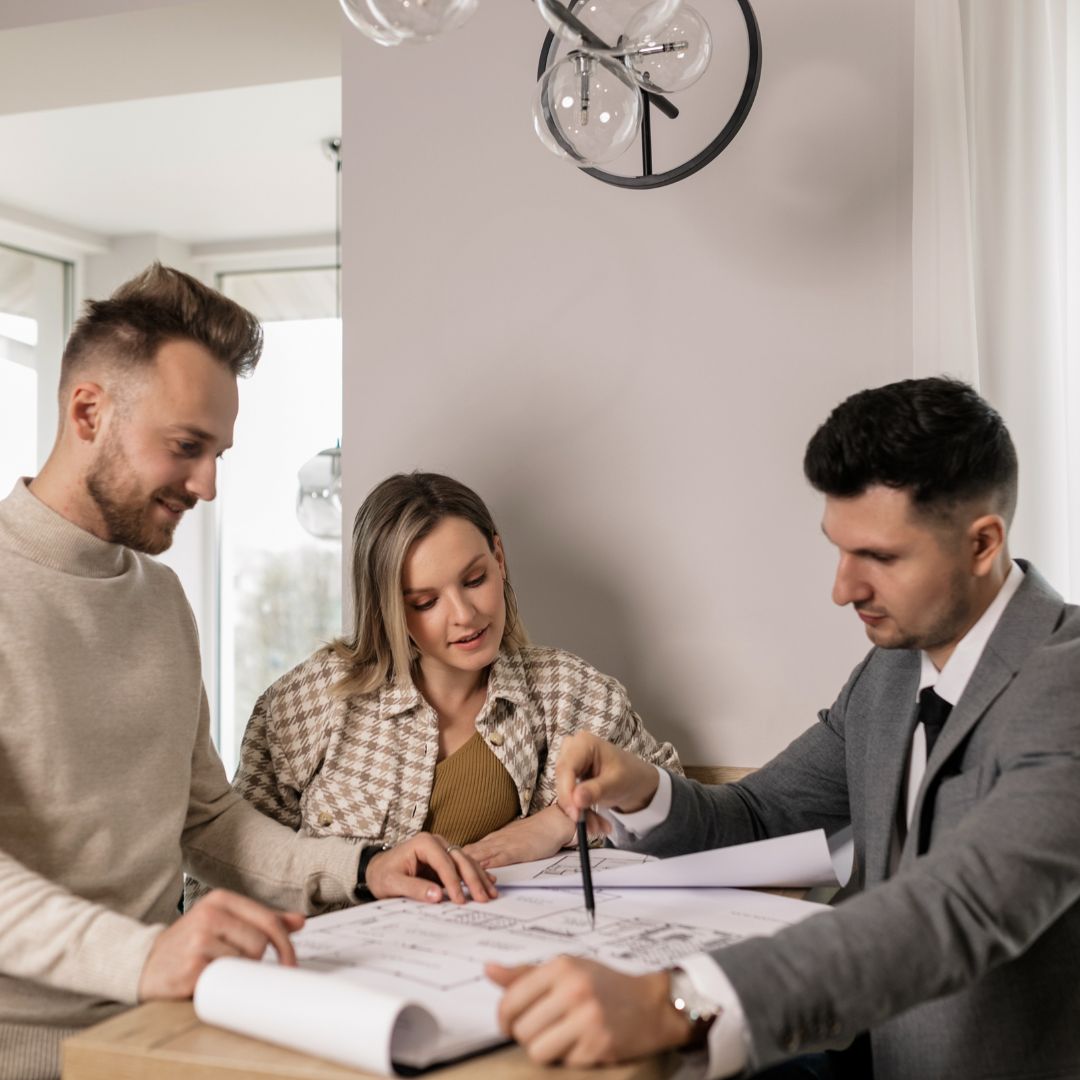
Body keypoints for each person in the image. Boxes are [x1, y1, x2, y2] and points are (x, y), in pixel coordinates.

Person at [488, 377, 1080, 1080]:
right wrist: (643, 789)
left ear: (983, 544)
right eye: (839, 548)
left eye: (881, 558)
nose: (843, 589)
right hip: (851, 1055)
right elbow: (764, 812)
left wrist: (676, 1001)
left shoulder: (1066, 680)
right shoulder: (889, 674)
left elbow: (956, 908)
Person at [0, 266, 491, 1080]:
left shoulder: (159, 599)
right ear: (88, 411)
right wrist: (145, 958)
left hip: (161, 1034)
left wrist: (362, 869)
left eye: (218, 454)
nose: (207, 486)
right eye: (187, 448)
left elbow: (207, 820)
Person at [196, 471, 680, 886]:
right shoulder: (311, 702)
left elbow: (680, 815)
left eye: (474, 580)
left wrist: (556, 823)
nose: (465, 615)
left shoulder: (570, 693)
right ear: (388, 608)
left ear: (499, 557)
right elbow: (228, 871)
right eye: (425, 602)